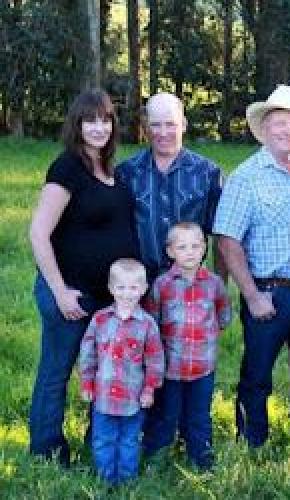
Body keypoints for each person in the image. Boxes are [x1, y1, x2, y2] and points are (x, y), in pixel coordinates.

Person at [213, 84, 290, 447]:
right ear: (264, 128)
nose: (286, 131)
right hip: (267, 292)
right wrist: (250, 294)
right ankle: (252, 442)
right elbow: (227, 239)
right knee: (257, 374)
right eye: (278, 123)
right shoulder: (246, 177)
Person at [28, 88, 138, 465]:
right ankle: (46, 450)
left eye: (105, 119)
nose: (98, 127)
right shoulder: (67, 168)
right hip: (71, 295)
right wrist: (60, 292)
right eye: (90, 120)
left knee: (106, 372)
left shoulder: (112, 171)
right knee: (57, 373)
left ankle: (99, 445)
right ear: (77, 124)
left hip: (108, 299)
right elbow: (38, 233)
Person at [142, 222, 231, 469]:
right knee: (166, 414)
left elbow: (223, 314)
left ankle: (201, 459)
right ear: (170, 251)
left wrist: (209, 335)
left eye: (195, 246)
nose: (190, 252)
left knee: (199, 416)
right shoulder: (162, 285)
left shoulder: (214, 284)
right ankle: (155, 458)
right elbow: (152, 322)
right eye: (182, 247)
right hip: (171, 368)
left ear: (204, 247)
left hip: (203, 367)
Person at [116, 92, 224, 284]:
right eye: (156, 125)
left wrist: (217, 286)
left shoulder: (207, 173)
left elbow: (220, 237)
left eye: (170, 124)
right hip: (138, 287)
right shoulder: (127, 173)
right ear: (146, 127)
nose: (163, 132)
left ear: (183, 125)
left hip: (190, 285)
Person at [78, 258, 165, 485]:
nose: (127, 293)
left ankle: (127, 482)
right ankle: (106, 480)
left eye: (134, 287)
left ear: (144, 289)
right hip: (103, 397)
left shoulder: (147, 324)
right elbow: (88, 354)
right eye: (121, 287)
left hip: (133, 399)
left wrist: (149, 390)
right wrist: (86, 384)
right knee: (103, 439)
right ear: (111, 289)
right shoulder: (100, 320)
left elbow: (155, 360)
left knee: (129, 441)